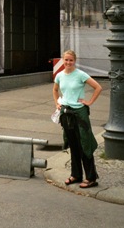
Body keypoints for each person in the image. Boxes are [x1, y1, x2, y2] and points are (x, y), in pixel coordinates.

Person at [53, 49, 102, 189]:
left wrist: (89, 102)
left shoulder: (81, 75)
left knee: (85, 145)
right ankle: (76, 175)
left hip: (80, 114)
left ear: (74, 61)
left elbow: (98, 87)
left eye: (71, 60)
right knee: (73, 145)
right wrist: (57, 103)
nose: (68, 62)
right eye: (66, 60)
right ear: (63, 60)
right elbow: (55, 90)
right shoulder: (60, 75)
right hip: (66, 113)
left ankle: (91, 177)